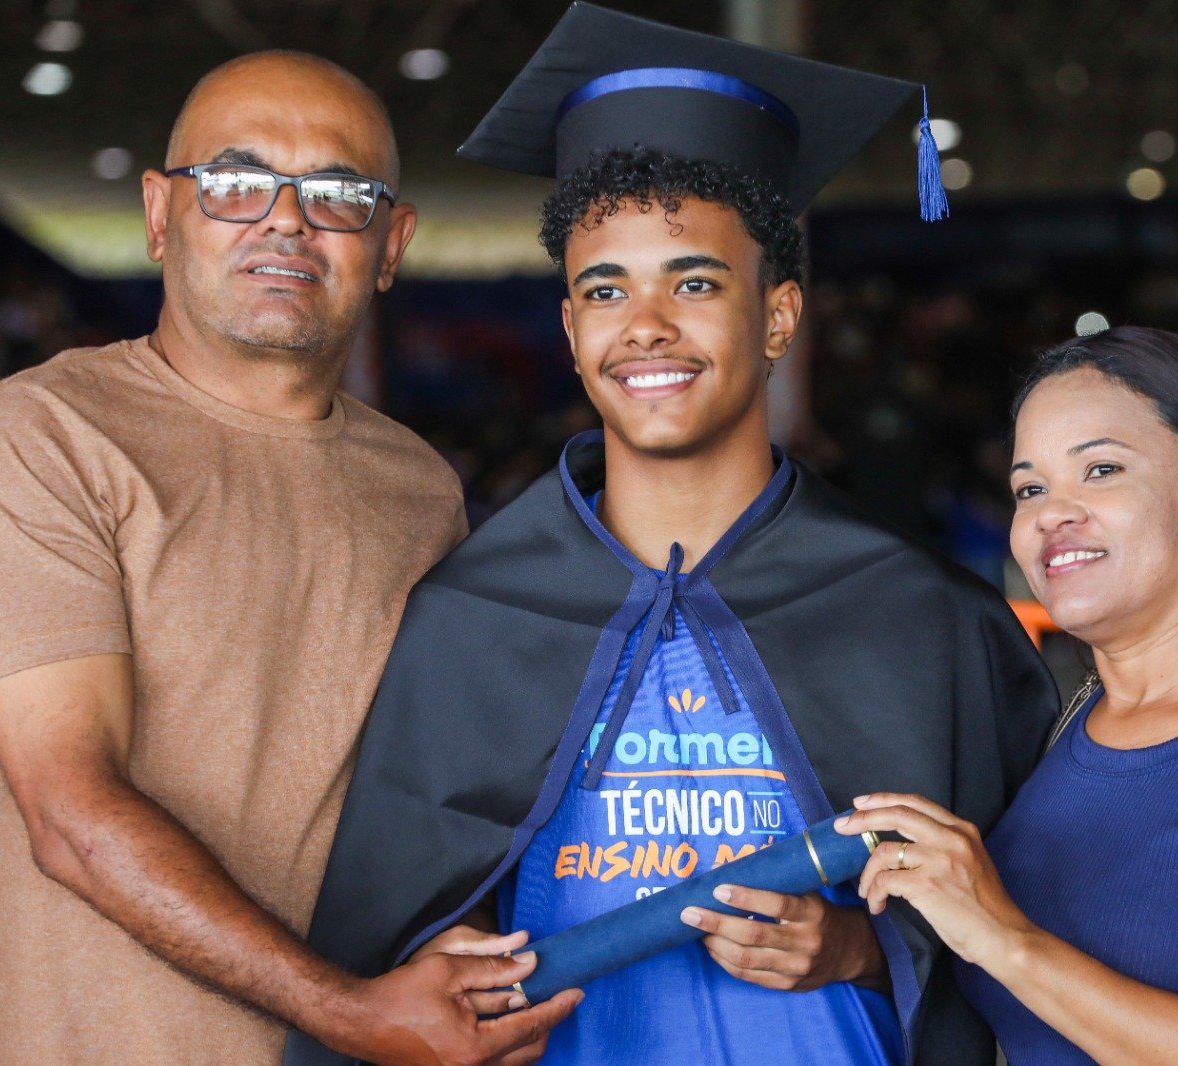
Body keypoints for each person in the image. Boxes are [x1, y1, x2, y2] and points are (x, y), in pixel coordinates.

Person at [289, 7, 1057, 1066]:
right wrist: (431, 951)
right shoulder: (468, 616)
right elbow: (387, 937)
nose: (645, 324)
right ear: (571, 331)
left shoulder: (922, 617)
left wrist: (857, 948)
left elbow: (1036, 945)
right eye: (605, 289)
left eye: (694, 282)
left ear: (778, 315)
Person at [0, 51, 577, 1065]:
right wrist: (350, 1009)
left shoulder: (418, 490)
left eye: (338, 193)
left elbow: (414, 806)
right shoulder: (45, 436)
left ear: (390, 245)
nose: (286, 221)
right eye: (234, 180)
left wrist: (448, 946)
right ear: (159, 214)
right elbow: (71, 813)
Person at [839, 325, 1178, 1064]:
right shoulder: (1075, 718)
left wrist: (1007, 939)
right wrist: (848, 953)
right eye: (1030, 488)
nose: (1052, 512)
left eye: (1101, 470)